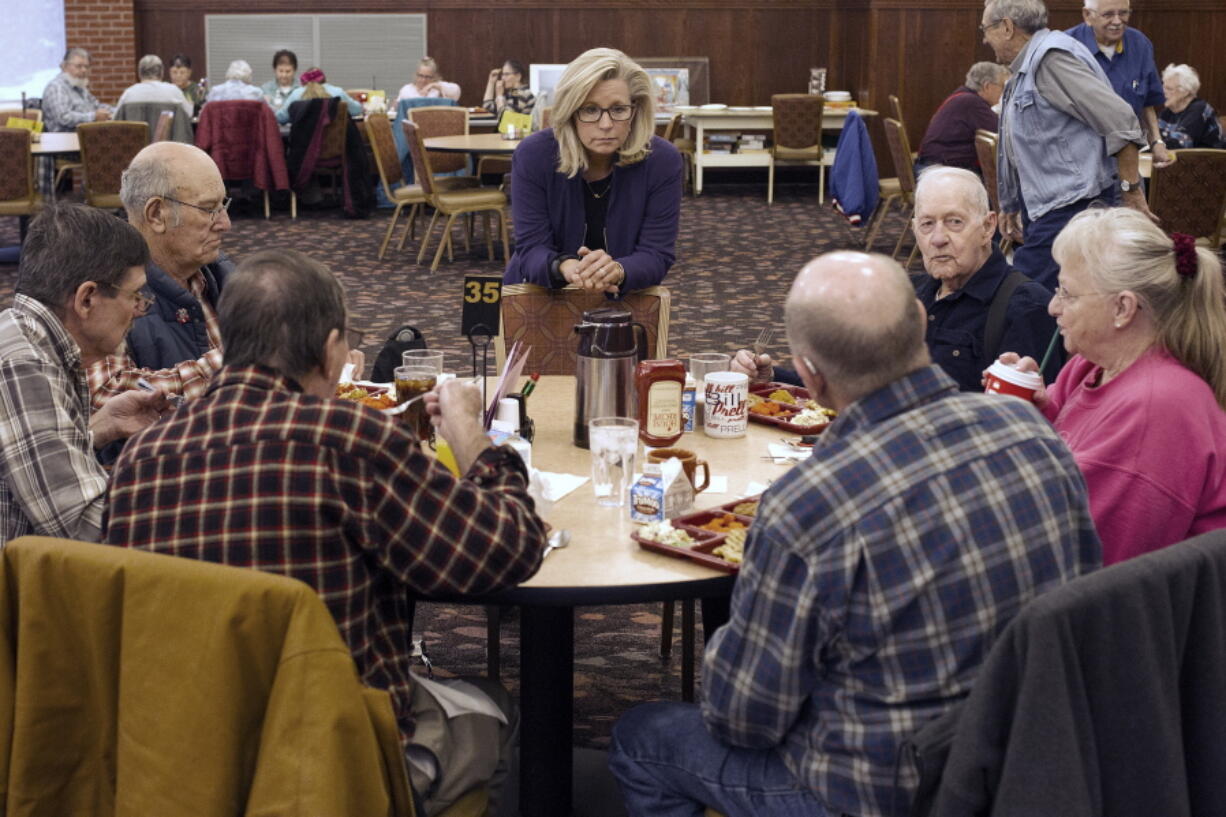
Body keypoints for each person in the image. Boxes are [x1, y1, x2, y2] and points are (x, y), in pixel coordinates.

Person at [608, 250, 1100, 817]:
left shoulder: (809, 503)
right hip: (1028, 755)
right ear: (921, 321)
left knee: (643, 735)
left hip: (878, 789)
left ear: (809, 375)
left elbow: (741, 717)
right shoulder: (1030, 431)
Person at [104, 247, 547, 816]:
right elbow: (509, 547)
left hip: (182, 762)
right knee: (493, 712)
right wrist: (470, 435)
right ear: (332, 348)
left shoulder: (138, 461)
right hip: (334, 763)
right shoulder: (348, 437)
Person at [1000, 207, 1226, 566]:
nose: (1053, 307)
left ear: (1123, 307)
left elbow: (1080, 559)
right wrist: (1031, 410)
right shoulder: (1090, 365)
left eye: (1067, 293)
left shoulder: (1158, 407)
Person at [734, 168, 1061, 392]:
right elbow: (854, 382)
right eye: (927, 224)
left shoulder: (1024, 307)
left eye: (954, 222)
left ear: (988, 227)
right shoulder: (908, 292)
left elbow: (1030, 425)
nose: (938, 239)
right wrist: (773, 377)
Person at [0, 204, 167, 546]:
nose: (139, 310)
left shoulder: (30, 337)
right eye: (135, 295)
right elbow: (83, 524)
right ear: (87, 298)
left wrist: (99, 426)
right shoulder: (21, 360)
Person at [981, 0, 1152, 290]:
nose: (985, 39)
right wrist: (1010, 202)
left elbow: (1121, 120)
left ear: (1008, 27)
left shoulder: (1051, 59)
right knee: (1051, 302)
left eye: (987, 29)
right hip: (1051, 209)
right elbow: (1016, 144)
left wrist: (1130, 191)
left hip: (1071, 210)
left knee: (1025, 298)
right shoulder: (1025, 68)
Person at [503, 47, 683, 296]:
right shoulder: (534, 155)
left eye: (619, 109)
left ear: (635, 110)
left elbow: (656, 254)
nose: (606, 124)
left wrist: (617, 270)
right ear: (570, 113)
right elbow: (531, 249)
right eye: (590, 110)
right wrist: (568, 268)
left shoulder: (662, 161)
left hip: (625, 299)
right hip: (540, 297)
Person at [86, 142, 233, 409]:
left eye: (224, 205)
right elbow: (107, 391)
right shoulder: (108, 291)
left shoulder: (220, 272)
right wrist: (238, 365)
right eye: (210, 209)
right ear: (156, 215)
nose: (225, 223)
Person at [1066, 0, 1172, 167]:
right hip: (1079, 165)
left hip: (1128, 162)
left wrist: (1157, 142)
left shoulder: (1140, 44)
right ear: (1087, 15)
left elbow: (1146, 104)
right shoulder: (1065, 48)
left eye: (1123, 13)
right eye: (1108, 14)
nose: (1117, 21)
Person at [916, 62, 1009, 173]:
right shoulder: (972, 103)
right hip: (937, 171)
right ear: (987, 86)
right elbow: (1003, 133)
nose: (1004, 93)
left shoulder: (963, 96)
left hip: (932, 164)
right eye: (1003, 87)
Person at [41, 48, 113, 132]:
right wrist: (94, 117)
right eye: (79, 66)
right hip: (64, 140)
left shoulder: (79, 86)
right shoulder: (57, 87)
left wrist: (117, 111)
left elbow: (96, 106)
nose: (84, 70)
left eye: (86, 66)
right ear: (64, 67)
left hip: (84, 137)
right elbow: (63, 117)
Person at [1158, 63, 1226, 149]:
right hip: (1180, 160)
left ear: (1185, 92)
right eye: (1163, 87)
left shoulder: (1199, 109)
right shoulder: (1167, 112)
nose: (1163, 92)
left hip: (1209, 160)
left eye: (1169, 89)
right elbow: (1154, 138)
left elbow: (1180, 144)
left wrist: (1155, 144)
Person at [115, 54, 194, 121]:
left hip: (136, 139)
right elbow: (189, 114)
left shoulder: (128, 94)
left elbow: (115, 119)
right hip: (168, 139)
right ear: (162, 72)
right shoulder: (173, 92)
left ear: (139, 73)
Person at [275, 67, 362, 125]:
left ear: (304, 81)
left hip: (303, 149)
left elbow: (281, 118)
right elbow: (356, 110)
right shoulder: (338, 93)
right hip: (333, 147)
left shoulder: (296, 94)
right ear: (325, 79)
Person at [397, 57, 462, 102]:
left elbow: (456, 92)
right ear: (416, 75)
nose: (423, 80)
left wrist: (433, 86)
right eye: (421, 76)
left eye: (428, 77)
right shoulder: (407, 89)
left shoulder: (437, 87)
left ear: (434, 77)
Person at [260, 49, 298, 114]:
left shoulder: (301, 89)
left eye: (288, 71)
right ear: (274, 70)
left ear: (294, 70)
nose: (284, 75)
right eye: (281, 71)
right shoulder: (265, 89)